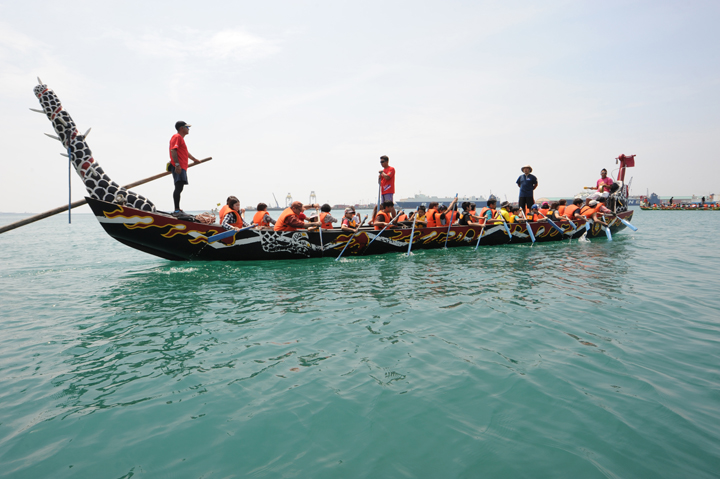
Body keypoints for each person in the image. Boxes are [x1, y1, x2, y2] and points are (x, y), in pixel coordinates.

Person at [169, 121, 209, 214]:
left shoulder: (181, 139)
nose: (188, 129)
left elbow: (185, 153)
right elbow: (173, 150)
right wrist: (177, 165)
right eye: (187, 127)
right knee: (178, 187)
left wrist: (194, 159)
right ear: (181, 128)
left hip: (182, 166)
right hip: (178, 166)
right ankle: (176, 210)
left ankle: (178, 209)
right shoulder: (177, 136)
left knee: (180, 187)